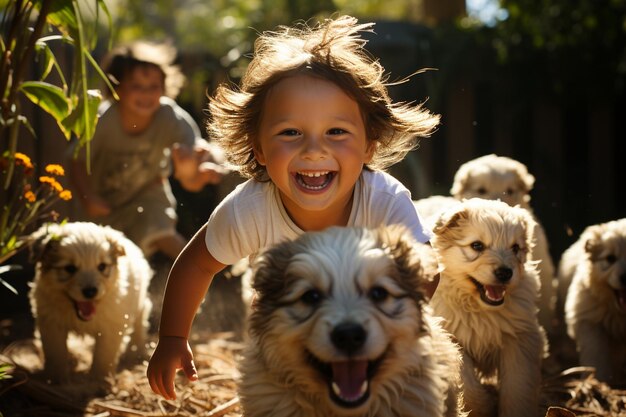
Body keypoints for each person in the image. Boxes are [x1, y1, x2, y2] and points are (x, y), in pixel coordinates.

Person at [147, 15, 440, 400]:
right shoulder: (251, 207)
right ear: (259, 148)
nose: (314, 149)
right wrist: (172, 337)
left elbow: (425, 269)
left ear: (369, 144)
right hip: (294, 330)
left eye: (336, 132)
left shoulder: (383, 200)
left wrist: (383, 325)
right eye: (290, 133)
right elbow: (198, 264)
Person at [69, 41, 227, 261]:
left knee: (162, 232)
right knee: (104, 254)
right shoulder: (104, 119)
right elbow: (75, 159)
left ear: (165, 88)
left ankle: (196, 272)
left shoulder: (169, 117)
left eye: (154, 87)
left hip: (148, 194)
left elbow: (193, 161)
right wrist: (88, 197)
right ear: (117, 88)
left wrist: (197, 171)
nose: (146, 94)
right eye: (136, 86)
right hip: (104, 201)